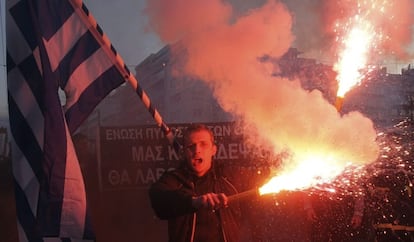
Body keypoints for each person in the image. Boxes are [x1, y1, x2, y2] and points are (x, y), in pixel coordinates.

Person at [148, 124, 264, 242]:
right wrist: (193, 202)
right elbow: (158, 198)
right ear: (184, 152)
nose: (197, 150)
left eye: (203, 144)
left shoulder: (230, 177)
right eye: (191, 146)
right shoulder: (174, 179)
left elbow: (263, 179)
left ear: (213, 150)